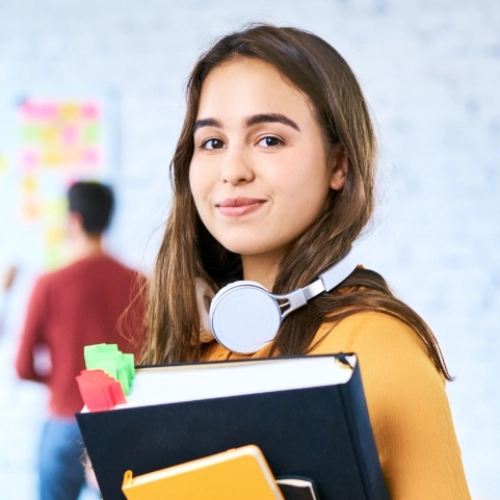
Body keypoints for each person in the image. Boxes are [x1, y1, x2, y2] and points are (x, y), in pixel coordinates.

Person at [141, 25, 471, 499]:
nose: (233, 171)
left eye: (269, 139)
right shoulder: (195, 345)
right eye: (212, 143)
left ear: (339, 164)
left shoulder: (379, 346)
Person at [16, 181, 145, 500]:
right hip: (119, 422)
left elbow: (22, 367)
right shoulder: (140, 284)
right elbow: (150, 359)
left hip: (64, 420)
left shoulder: (49, 284)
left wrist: (63, 381)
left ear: (73, 220)